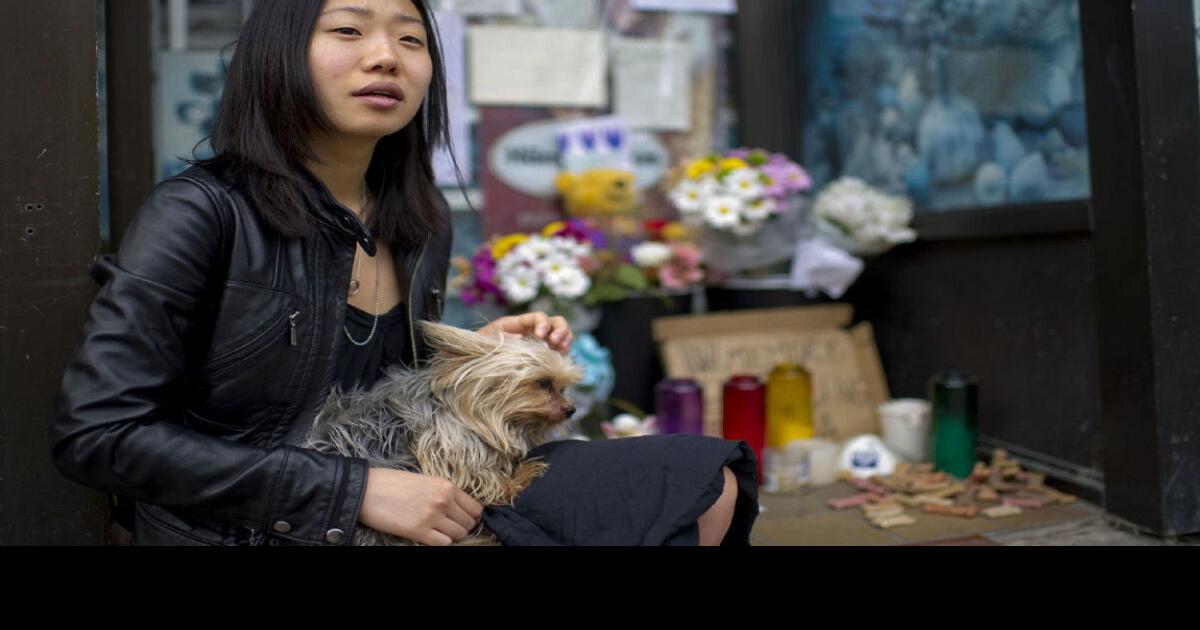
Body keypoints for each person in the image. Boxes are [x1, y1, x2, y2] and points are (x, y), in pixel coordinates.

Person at [50, 0, 757, 546]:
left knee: (702, 481)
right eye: (349, 30)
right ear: (279, 53)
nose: (386, 56)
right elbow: (97, 435)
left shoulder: (417, 222)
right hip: (258, 523)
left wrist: (476, 361)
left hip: (420, 488)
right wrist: (351, 491)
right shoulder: (201, 213)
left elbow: (376, 396)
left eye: (411, 39)